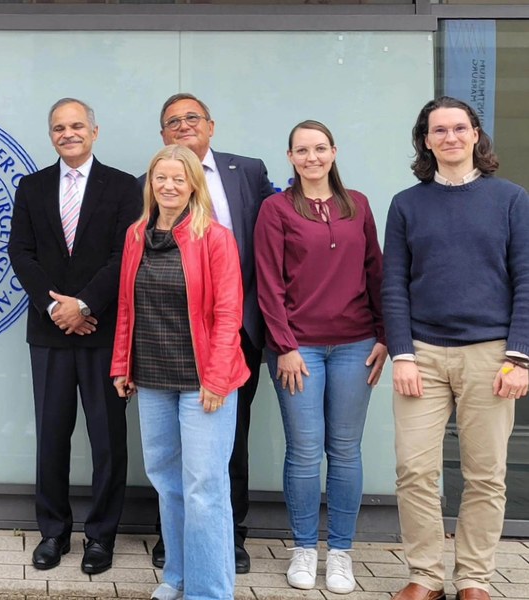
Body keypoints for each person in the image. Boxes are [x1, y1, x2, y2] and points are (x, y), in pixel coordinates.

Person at [383, 97, 529, 600]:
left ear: (475, 135)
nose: (450, 137)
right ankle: (425, 574)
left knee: (485, 474)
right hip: (421, 352)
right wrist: (401, 352)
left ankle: (474, 579)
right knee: (414, 469)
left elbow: (527, 279)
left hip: (491, 354)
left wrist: (519, 355)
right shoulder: (406, 204)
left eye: (458, 128)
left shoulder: (511, 199)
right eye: (438, 130)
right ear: (426, 140)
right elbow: (394, 284)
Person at [254, 120, 387, 595]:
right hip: (299, 349)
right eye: (302, 150)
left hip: (356, 344)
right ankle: (305, 548)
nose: (312, 157)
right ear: (289, 157)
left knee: (346, 451)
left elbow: (376, 270)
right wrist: (285, 346)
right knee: (307, 451)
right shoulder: (275, 209)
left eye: (320, 148)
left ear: (334, 151)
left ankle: (343, 553)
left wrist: (385, 335)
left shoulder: (359, 205)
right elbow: (267, 281)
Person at [9, 98, 140, 575]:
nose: (69, 133)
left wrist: (83, 306)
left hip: (102, 331)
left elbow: (122, 255)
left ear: (95, 131)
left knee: (108, 440)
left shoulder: (124, 187)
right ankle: (53, 532)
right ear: (51, 135)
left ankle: (101, 538)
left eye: (77, 125)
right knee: (51, 436)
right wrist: (56, 308)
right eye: (59, 128)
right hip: (49, 334)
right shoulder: (32, 186)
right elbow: (21, 254)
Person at [111, 144, 248, 600]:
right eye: (160, 178)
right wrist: (121, 364)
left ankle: (210, 592)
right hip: (151, 379)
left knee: (204, 488)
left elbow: (230, 314)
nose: (168, 186)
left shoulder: (215, 237)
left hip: (203, 383)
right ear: (151, 184)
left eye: (178, 178)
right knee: (167, 484)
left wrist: (216, 377)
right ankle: (177, 576)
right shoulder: (136, 236)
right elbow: (127, 308)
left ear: (193, 184)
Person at [147, 93, 273, 573]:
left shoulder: (250, 172)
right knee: (170, 449)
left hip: (237, 328)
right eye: (172, 122)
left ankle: (230, 536)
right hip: (170, 337)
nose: (183, 126)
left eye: (191, 118)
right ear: (162, 135)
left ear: (211, 126)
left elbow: (270, 247)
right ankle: (173, 540)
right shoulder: (152, 184)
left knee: (229, 438)